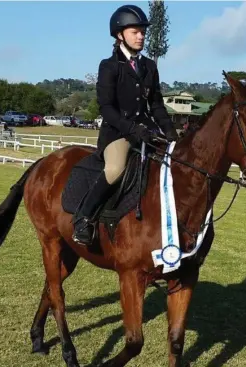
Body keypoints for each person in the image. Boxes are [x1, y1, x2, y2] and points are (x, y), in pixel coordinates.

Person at [73, 4, 178, 245]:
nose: (141, 36)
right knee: (115, 169)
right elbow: (106, 108)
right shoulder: (109, 66)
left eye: (142, 31)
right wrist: (131, 129)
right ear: (120, 35)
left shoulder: (150, 67)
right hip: (117, 133)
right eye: (135, 31)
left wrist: (170, 131)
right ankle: (84, 218)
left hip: (147, 132)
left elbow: (157, 105)